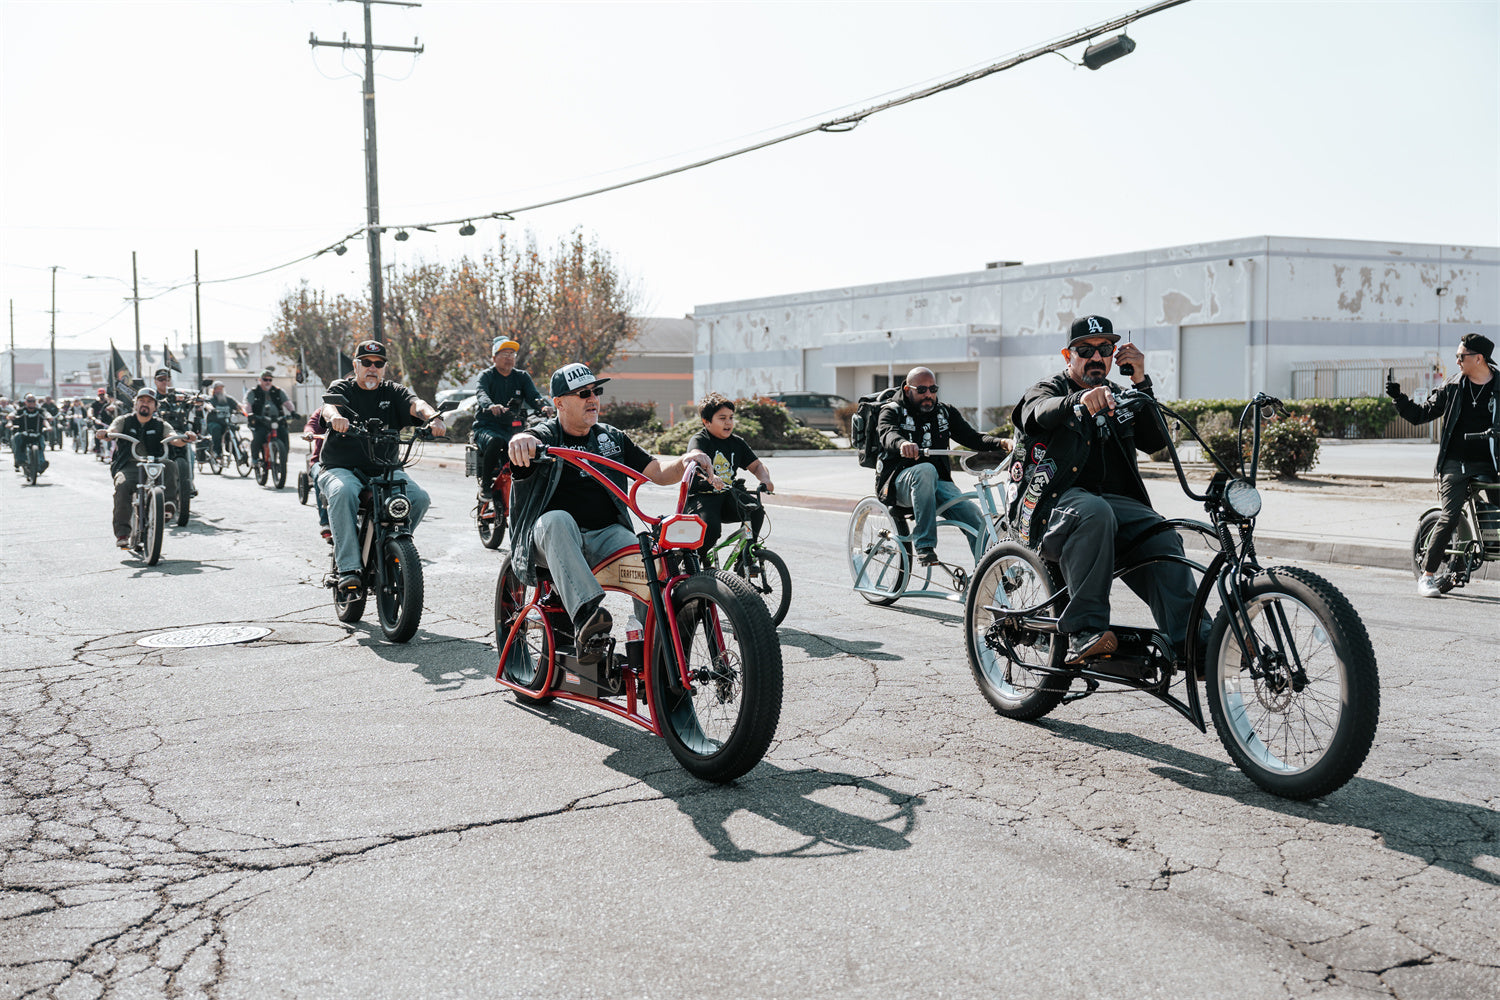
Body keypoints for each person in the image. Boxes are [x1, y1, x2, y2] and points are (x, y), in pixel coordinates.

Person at [1008, 316, 1199, 666]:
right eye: (1085, 350)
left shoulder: (1121, 396)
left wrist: (1141, 382)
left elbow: (1155, 441)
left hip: (1111, 507)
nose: (1096, 357)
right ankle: (1085, 632)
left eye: (1105, 349)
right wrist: (1077, 401)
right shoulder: (1049, 389)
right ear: (1068, 354)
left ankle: (1193, 641)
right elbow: (1034, 413)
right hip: (1054, 505)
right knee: (1094, 512)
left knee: (1161, 534)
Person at [507, 362, 712, 659]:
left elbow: (656, 471)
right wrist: (520, 441)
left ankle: (656, 654)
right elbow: (524, 442)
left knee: (650, 560)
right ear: (559, 403)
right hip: (552, 542)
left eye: (596, 391)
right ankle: (588, 618)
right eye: (583, 393)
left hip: (606, 534)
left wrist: (686, 459)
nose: (593, 398)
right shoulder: (545, 437)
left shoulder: (610, 437)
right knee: (557, 520)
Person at [317, 341, 447, 593]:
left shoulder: (393, 391)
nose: (372, 368)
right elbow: (329, 407)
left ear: (384, 368)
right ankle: (348, 568)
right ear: (356, 366)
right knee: (343, 492)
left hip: (385, 469)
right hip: (341, 467)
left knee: (419, 498)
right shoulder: (343, 387)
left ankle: (391, 550)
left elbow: (417, 404)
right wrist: (336, 418)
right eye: (366, 362)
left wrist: (433, 417)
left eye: (378, 364)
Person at [1388, 332, 1500, 597]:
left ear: (1479, 358)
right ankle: (1427, 577)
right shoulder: (1452, 387)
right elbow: (1421, 414)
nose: (1457, 361)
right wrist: (1399, 398)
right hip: (1456, 462)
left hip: (1490, 462)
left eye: (1461, 356)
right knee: (1450, 515)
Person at [876, 366, 1010, 566]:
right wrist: (903, 444)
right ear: (907, 390)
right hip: (899, 484)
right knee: (925, 470)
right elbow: (888, 434)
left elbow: (972, 437)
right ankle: (925, 545)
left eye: (933, 389)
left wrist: (1001, 443)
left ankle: (994, 576)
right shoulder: (892, 411)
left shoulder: (944, 412)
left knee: (975, 519)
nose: (928, 394)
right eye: (921, 390)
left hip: (937, 484)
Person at [99, 387, 196, 547]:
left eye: (149, 402)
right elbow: (112, 431)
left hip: (154, 463)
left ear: (155, 407)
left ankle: (168, 504)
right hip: (129, 465)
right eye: (142, 401)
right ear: (136, 404)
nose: (145, 404)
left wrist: (185, 438)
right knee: (121, 486)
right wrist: (106, 434)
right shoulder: (124, 420)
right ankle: (122, 532)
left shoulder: (160, 424)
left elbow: (173, 438)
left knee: (170, 465)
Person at [685, 393, 775, 556]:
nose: (728, 422)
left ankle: (745, 556)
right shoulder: (700, 440)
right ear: (706, 421)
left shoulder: (737, 443)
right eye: (722, 418)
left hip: (727, 495)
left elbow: (757, 466)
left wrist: (765, 479)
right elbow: (695, 457)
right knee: (710, 530)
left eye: (731, 417)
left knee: (755, 510)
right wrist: (711, 477)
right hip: (702, 497)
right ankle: (695, 563)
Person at [472, 337, 551, 499]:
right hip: (487, 427)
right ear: (494, 358)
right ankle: (485, 486)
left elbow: (533, 396)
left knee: (528, 448)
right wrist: (490, 406)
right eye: (504, 354)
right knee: (496, 441)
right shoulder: (486, 376)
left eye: (512, 354)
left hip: (513, 428)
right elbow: (481, 393)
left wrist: (543, 406)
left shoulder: (521, 377)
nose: (509, 357)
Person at [243, 369, 293, 471]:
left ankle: (282, 462)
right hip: (260, 421)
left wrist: (293, 411)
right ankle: (255, 459)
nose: (268, 382)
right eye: (265, 379)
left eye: (270, 379)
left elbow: (287, 402)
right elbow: (248, 405)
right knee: (258, 437)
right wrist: (250, 414)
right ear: (260, 380)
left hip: (277, 421)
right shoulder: (253, 392)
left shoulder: (278, 391)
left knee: (284, 435)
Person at [9, 394, 52, 474]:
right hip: (23, 434)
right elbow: (13, 414)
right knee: (16, 437)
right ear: (26, 402)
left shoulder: (40, 410)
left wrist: (49, 423)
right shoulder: (21, 410)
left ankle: (41, 464)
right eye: (29, 401)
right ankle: (20, 460)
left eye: (33, 401)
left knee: (42, 444)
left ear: (35, 402)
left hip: (37, 434)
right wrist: (11, 416)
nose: (31, 403)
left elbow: (46, 415)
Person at [204, 381, 237, 459]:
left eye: (221, 389)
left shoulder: (228, 399)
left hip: (226, 423)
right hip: (214, 423)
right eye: (218, 389)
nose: (220, 390)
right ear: (214, 390)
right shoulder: (211, 399)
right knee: (216, 428)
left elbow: (237, 406)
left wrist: (242, 410)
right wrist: (211, 408)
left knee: (233, 430)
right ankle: (217, 452)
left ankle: (238, 455)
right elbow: (207, 405)